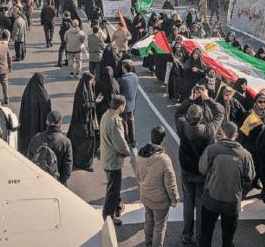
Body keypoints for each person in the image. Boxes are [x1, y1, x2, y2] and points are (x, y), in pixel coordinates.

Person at [175, 86, 224, 245]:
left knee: (188, 204)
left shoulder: (182, 126)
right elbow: (219, 113)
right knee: (201, 205)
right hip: (203, 172)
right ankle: (199, 237)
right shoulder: (208, 130)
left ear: (188, 117)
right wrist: (207, 98)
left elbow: (178, 113)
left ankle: (186, 234)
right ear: (201, 117)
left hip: (187, 170)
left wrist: (190, 98)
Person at [198, 121, 255, 247]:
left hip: (211, 200)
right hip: (232, 203)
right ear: (236, 135)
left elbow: (202, 169)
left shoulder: (211, 149)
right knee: (228, 239)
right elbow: (250, 177)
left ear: (223, 134)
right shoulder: (245, 155)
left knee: (206, 235)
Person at [136, 125, 180, 247]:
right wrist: (174, 199)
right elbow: (171, 184)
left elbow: (138, 176)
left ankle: (148, 243)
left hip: (145, 196)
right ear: (163, 139)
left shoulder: (140, 153)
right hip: (160, 201)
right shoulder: (164, 159)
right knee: (159, 226)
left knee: (149, 220)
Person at [99, 94, 130, 226]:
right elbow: (120, 144)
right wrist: (127, 151)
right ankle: (108, 215)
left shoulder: (106, 116)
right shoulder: (115, 122)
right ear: (120, 106)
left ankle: (118, 206)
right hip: (113, 161)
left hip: (106, 157)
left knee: (113, 186)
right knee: (113, 190)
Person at [27, 109, 73, 185]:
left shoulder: (36, 138)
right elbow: (67, 168)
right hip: (56, 182)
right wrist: (59, 184)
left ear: (47, 122)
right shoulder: (65, 142)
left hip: (38, 181)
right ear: (60, 123)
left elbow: (29, 159)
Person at [67, 71, 100, 171]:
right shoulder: (82, 92)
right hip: (82, 123)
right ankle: (84, 164)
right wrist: (95, 102)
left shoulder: (87, 89)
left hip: (86, 122)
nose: (92, 82)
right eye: (91, 81)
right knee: (86, 143)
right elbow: (84, 106)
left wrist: (94, 100)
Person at [18, 72, 52, 156]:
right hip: (39, 127)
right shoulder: (43, 96)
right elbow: (47, 111)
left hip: (28, 125)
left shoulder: (27, 92)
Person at [117, 59, 139, 148]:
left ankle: (126, 141)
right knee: (131, 121)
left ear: (125, 68)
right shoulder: (135, 76)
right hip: (132, 104)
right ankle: (133, 140)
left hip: (124, 106)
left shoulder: (121, 80)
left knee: (124, 123)